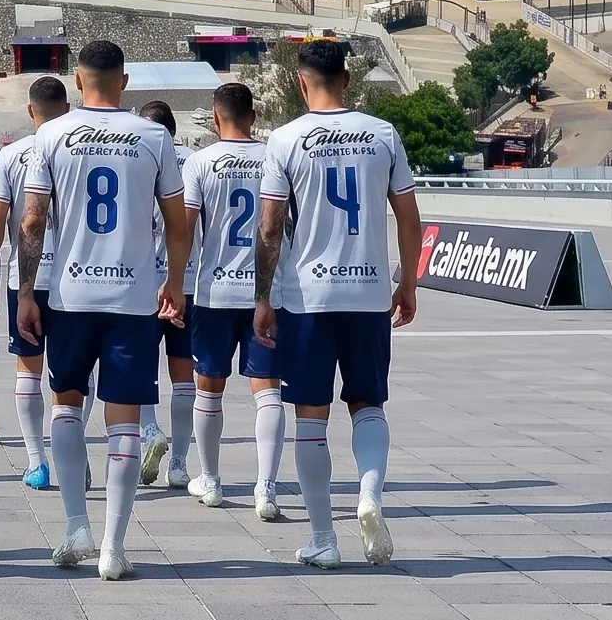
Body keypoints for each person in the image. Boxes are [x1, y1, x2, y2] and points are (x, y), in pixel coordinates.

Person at [17, 40, 188, 581]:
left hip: (70, 294)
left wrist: (25, 292)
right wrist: (176, 284)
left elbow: (31, 222)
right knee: (125, 422)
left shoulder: (52, 134)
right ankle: (114, 545)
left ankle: (75, 526)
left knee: (66, 406)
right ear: (125, 81)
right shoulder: (154, 136)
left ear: (76, 78)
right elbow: (179, 223)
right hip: (133, 297)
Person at [253, 39, 423, 570]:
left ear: (301, 82)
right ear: (347, 81)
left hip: (307, 296)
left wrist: (262, 297)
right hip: (369, 292)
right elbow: (410, 218)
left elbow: (269, 227)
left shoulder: (283, 140)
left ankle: (324, 537)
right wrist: (408, 283)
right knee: (368, 404)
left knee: (310, 417)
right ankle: (369, 495)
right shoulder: (382, 134)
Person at [180, 82, 287, 512]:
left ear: (214, 115)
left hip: (215, 290)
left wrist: (172, 282)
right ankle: (266, 487)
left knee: (209, 386)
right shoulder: (274, 158)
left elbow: (185, 229)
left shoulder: (201, 162)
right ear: (254, 117)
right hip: (267, 292)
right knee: (267, 389)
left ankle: (210, 480)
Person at [0, 75, 67, 490]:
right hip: (73, 277)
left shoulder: (10, 155)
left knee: (28, 369)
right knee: (72, 376)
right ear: (65, 109)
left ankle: (37, 461)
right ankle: (74, 453)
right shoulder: (76, 149)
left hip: (26, 278)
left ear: (31, 111)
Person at [134, 100, 195, 490]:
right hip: (188, 281)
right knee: (184, 375)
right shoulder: (198, 160)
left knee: (137, 370)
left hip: (144, 281)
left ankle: (151, 430)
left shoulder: (138, 157)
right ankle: (179, 463)